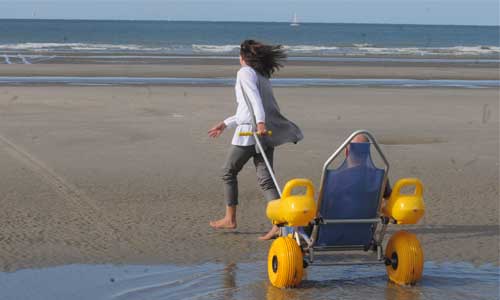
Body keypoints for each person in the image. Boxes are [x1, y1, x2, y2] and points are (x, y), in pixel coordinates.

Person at [208, 39, 303, 240]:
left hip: (251, 133)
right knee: (266, 181)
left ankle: (230, 218)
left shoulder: (245, 73)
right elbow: (247, 109)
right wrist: (226, 123)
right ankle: (279, 224)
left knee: (228, 172)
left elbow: (254, 101)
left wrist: (259, 124)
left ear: (243, 57)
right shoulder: (261, 75)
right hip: (262, 132)